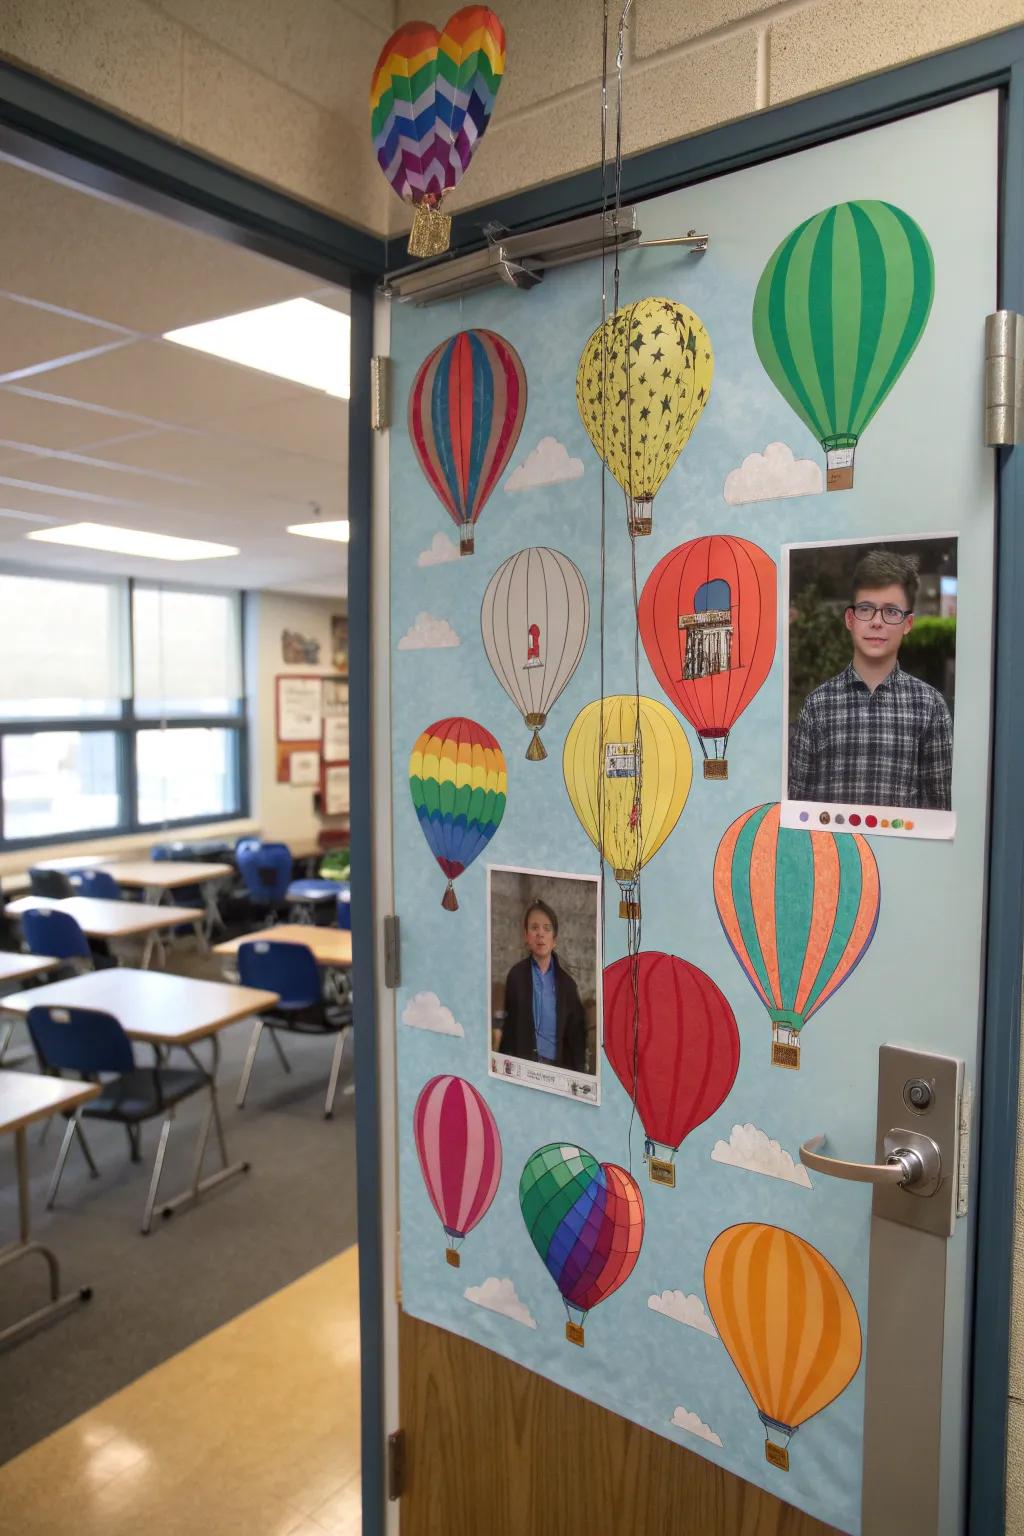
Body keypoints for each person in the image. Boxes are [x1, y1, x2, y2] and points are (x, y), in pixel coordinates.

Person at [788, 548, 953, 810]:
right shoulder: (817, 706)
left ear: (908, 623)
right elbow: (798, 807)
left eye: (891, 612)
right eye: (866, 609)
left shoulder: (930, 706)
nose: (877, 622)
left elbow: (938, 810)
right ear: (850, 619)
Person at [498, 899, 587, 1071]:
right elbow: (509, 1029)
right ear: (526, 936)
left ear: (554, 939)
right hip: (523, 1065)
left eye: (547, 928)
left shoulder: (568, 985)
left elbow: (577, 1038)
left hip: (557, 1068)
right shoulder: (515, 976)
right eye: (534, 927)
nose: (540, 934)